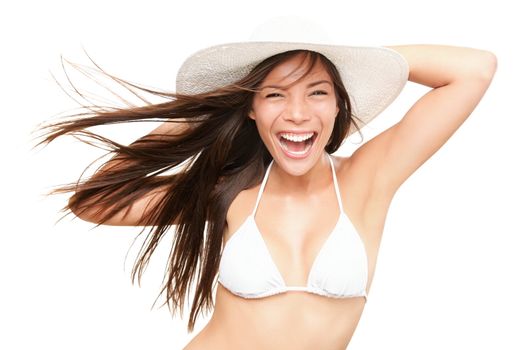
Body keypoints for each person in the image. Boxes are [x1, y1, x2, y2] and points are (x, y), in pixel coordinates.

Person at [32, 16, 497, 350]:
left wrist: (359, 61)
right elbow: (94, 202)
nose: (297, 114)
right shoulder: (227, 190)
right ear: (251, 110)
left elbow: (474, 70)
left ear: (339, 105)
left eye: (318, 91)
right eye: (275, 94)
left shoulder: (367, 179)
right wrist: (200, 111)